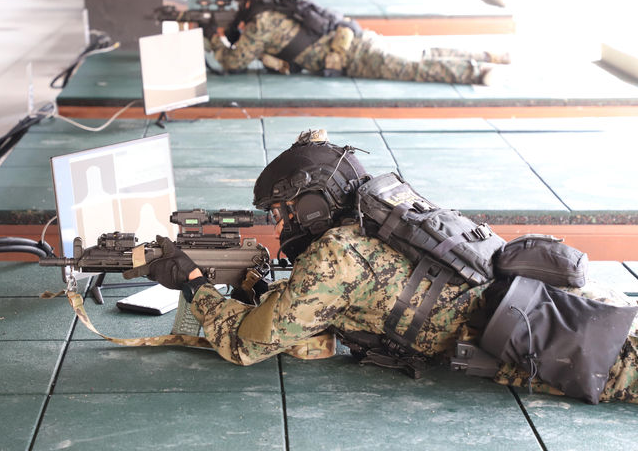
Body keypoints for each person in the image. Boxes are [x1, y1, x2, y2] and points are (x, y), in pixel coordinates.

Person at [147, 128, 638, 404]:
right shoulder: (386, 208)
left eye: (287, 211)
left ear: (316, 204)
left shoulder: (336, 254)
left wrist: (191, 283)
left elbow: (244, 344)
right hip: (580, 308)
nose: (283, 225)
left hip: (587, 350)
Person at [203, 0, 510, 85]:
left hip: (353, 57)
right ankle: (485, 54)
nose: (240, 9)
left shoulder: (261, 23)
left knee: (414, 68)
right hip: (357, 39)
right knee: (421, 52)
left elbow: (233, 62)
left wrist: (211, 40)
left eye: (242, 3)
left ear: (251, 1)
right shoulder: (283, 7)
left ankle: (477, 71)